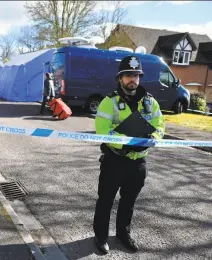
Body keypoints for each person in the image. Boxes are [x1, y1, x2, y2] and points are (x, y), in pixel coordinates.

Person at [93, 55, 165, 255]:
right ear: (120, 78)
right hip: (115, 160)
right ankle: (101, 237)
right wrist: (125, 142)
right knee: (105, 200)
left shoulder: (150, 101)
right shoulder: (109, 102)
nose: (133, 79)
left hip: (138, 162)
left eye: (136, 75)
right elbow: (102, 130)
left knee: (129, 201)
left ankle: (123, 234)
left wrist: (153, 136)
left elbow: (160, 124)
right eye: (128, 75)